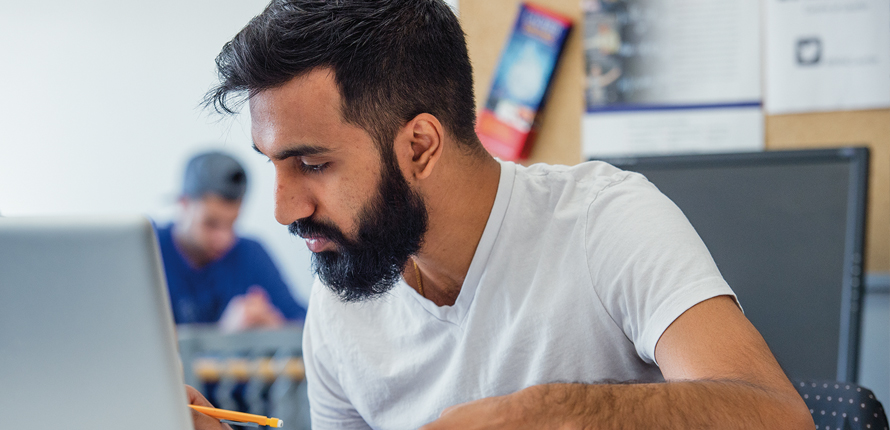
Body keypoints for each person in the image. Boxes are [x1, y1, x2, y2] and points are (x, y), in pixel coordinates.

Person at [187, 1, 813, 429]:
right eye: (273, 164)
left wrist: (552, 413)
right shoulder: (346, 289)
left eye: (313, 164)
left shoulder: (606, 220)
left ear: (420, 146)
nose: (281, 210)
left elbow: (779, 417)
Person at [156, 151, 306, 331]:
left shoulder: (250, 254)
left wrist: (273, 325)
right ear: (183, 204)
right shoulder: (149, 252)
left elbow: (303, 326)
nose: (224, 239)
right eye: (211, 224)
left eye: (232, 224)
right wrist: (225, 336)